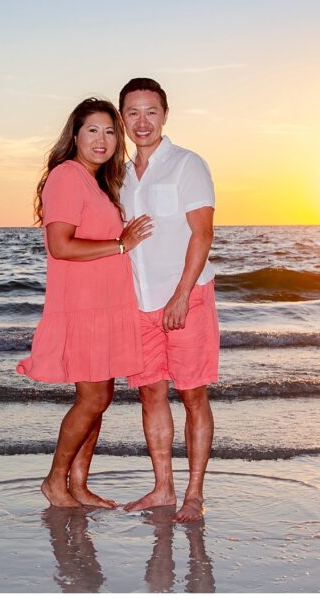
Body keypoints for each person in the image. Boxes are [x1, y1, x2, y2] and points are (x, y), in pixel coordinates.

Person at [18, 97, 154, 509]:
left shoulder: (96, 183)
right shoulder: (65, 176)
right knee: (93, 398)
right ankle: (55, 480)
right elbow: (60, 245)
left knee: (100, 397)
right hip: (84, 306)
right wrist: (119, 244)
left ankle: (78, 484)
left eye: (110, 131)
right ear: (74, 135)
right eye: (92, 130)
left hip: (107, 304)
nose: (103, 139)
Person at [117, 77, 218, 523]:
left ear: (165, 115)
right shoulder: (116, 174)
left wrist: (180, 294)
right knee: (150, 394)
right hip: (137, 302)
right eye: (133, 113)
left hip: (186, 298)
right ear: (122, 118)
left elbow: (203, 232)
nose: (142, 122)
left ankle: (194, 495)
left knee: (193, 395)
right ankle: (163, 489)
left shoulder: (187, 164)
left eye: (151, 112)